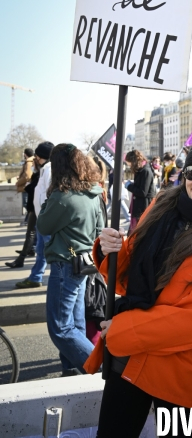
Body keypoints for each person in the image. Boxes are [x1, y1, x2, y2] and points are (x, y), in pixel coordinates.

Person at [84, 141, 192, 438]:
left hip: (178, 370)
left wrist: (120, 331)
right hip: (128, 363)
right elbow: (129, 278)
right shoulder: (161, 207)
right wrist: (111, 251)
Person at [36, 143, 104, 376]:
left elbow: (43, 225)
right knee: (75, 323)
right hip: (84, 262)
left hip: (65, 263)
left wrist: (47, 201)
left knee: (61, 328)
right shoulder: (93, 192)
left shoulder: (63, 197)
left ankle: (99, 369)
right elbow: (100, 229)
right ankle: (72, 369)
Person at [15, 141, 55, 289]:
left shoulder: (49, 169)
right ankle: (35, 276)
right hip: (42, 217)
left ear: (40, 156)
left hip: (45, 218)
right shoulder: (44, 169)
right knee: (40, 251)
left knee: (48, 252)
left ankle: (41, 277)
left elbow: (49, 194)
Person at [6, 158, 40, 268]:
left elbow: (35, 190)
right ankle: (24, 257)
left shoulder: (42, 173)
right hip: (35, 208)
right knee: (33, 235)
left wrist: (27, 186)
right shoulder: (40, 173)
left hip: (36, 208)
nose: (32, 166)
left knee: (31, 234)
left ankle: (22, 259)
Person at [125, 150, 156, 233]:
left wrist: (129, 186)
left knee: (137, 232)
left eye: (129, 163)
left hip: (143, 207)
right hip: (139, 206)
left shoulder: (146, 171)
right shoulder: (141, 170)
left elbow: (143, 192)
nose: (129, 165)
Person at [15, 147, 34, 220]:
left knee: (26, 204)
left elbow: (27, 176)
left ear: (25, 154)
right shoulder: (31, 161)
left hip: (26, 187)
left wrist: (18, 183)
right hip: (28, 186)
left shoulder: (28, 163)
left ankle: (30, 220)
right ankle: (28, 220)